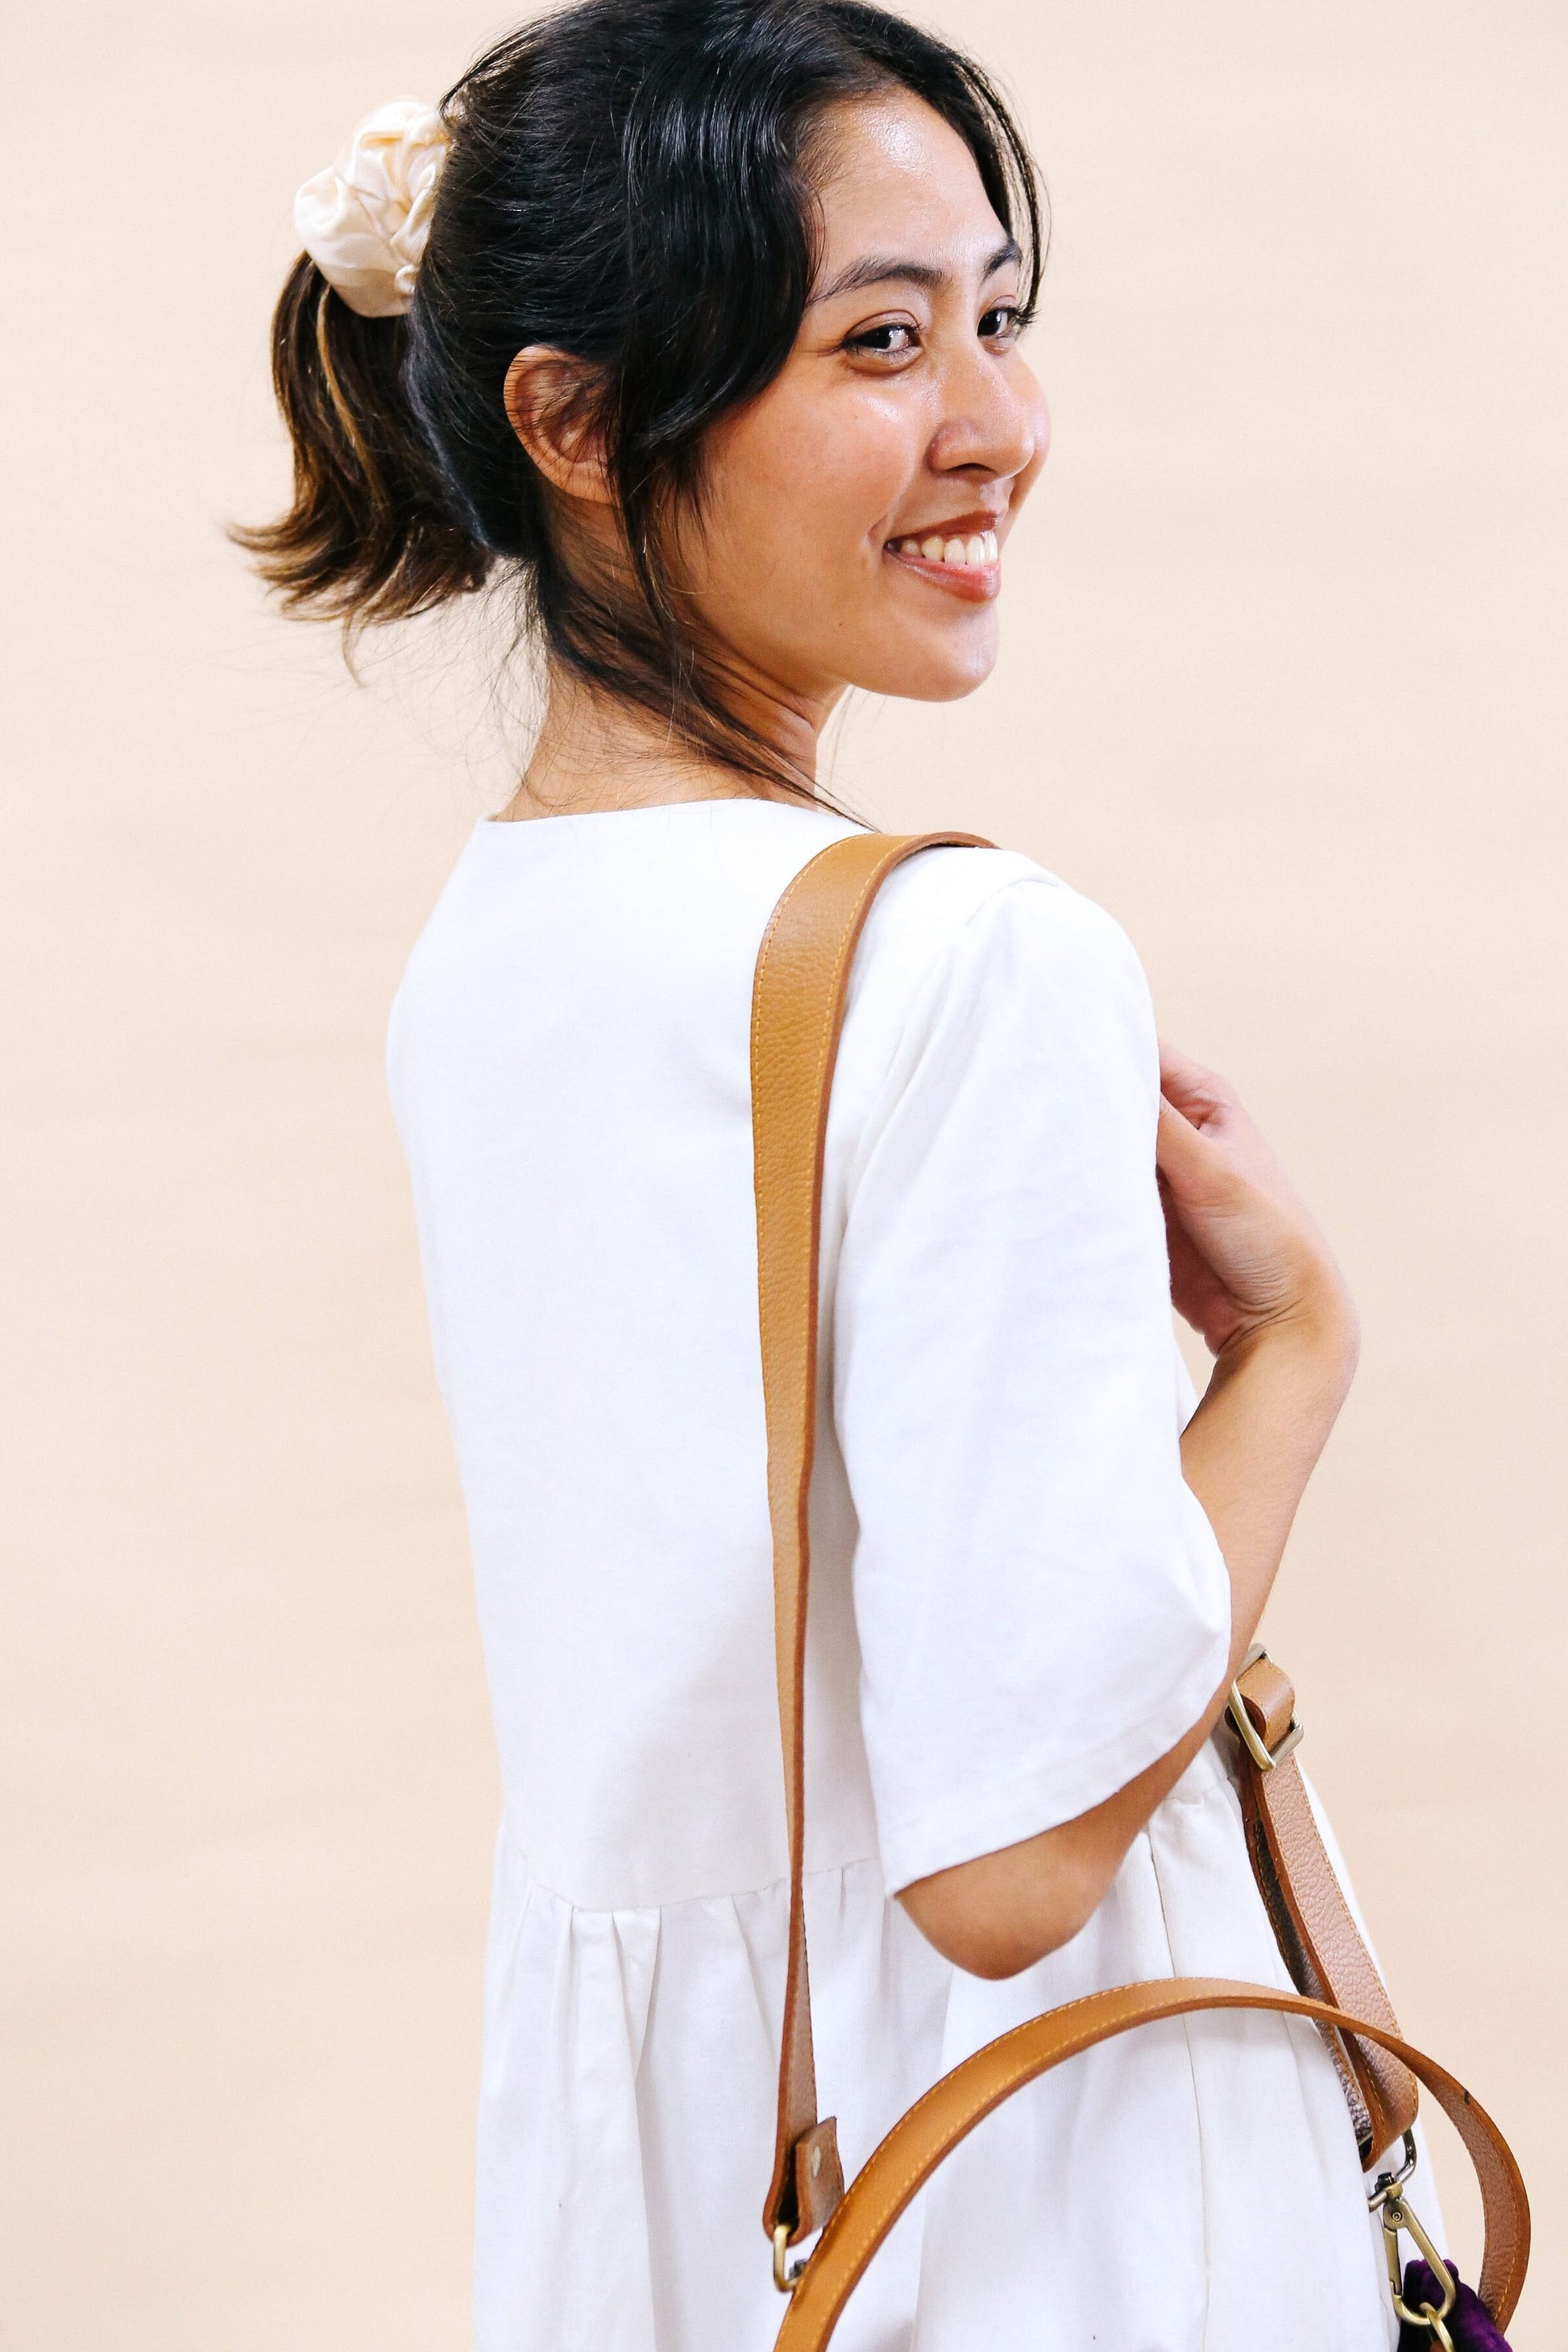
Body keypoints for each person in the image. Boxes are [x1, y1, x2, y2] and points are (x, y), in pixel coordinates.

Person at [240, 4, 1416, 2344]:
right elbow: (1012, 1865)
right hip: (1029, 2200)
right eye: (880, 341)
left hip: (665, 2176)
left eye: (998, 317)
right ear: (575, 423)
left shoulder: (494, 945)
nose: (997, 424)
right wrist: (1293, 1350)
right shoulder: (962, 952)